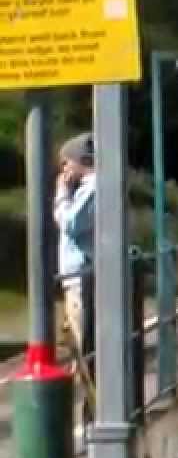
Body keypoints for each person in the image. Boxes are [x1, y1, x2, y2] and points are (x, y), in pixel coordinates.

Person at [53, 132, 95, 369]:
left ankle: (87, 398)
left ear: (82, 161)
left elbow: (70, 223)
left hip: (81, 274)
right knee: (78, 337)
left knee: (81, 342)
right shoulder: (89, 188)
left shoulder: (91, 189)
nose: (64, 170)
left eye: (66, 162)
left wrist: (62, 193)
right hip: (81, 274)